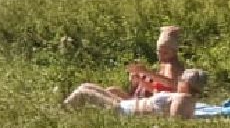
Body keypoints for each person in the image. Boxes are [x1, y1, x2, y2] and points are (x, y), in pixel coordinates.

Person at [67, 68, 207, 118]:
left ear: (187, 85)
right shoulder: (179, 96)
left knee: (83, 93)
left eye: (181, 80)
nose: (178, 81)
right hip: (123, 105)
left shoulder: (182, 98)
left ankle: (61, 112)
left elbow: (176, 120)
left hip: (122, 111)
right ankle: (68, 112)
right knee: (86, 86)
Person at [103, 26, 188, 100]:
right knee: (112, 90)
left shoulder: (172, 65)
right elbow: (157, 90)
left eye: (165, 53)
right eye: (159, 52)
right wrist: (140, 79)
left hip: (160, 103)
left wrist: (144, 72)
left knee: (110, 92)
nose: (161, 56)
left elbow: (171, 84)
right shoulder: (164, 64)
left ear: (174, 52)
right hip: (153, 99)